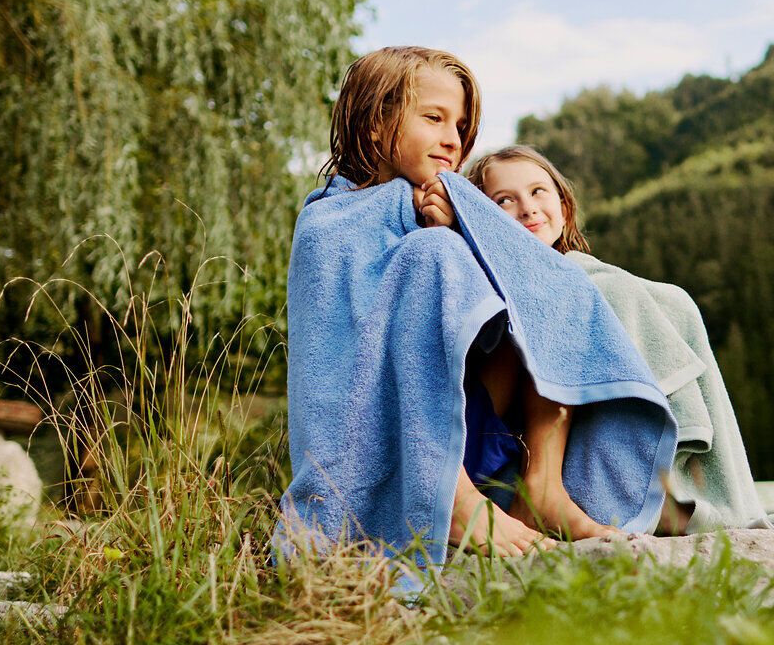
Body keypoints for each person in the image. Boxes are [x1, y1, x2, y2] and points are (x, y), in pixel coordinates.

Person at [279, 47, 675, 572]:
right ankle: (456, 503)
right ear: (376, 124)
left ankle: (543, 485)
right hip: (396, 454)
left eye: (462, 124)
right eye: (434, 118)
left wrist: (463, 229)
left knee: (528, 275)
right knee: (433, 256)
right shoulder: (329, 222)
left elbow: (540, 286)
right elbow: (339, 368)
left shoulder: (447, 208)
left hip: (476, 432)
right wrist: (432, 237)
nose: (454, 138)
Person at [466, 145, 774, 535]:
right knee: (577, 284)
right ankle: (578, 495)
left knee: (673, 301)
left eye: (538, 192)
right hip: (499, 460)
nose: (528, 208)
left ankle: (667, 490)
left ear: (564, 208)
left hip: (568, 439)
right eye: (504, 200)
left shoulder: (587, 278)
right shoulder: (486, 290)